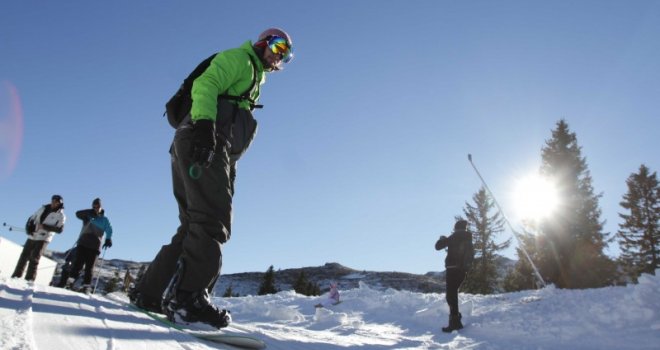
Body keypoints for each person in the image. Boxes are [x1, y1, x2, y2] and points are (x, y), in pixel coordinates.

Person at [130, 28, 294, 329]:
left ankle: (148, 292)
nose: (279, 55)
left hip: (197, 143)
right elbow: (206, 83)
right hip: (204, 141)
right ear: (262, 43)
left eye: (286, 53)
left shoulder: (254, 80)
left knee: (193, 223)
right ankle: (189, 301)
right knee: (212, 219)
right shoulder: (241, 61)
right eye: (277, 45)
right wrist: (205, 129)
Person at [58, 198, 113, 294]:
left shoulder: (104, 219)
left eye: (98, 206)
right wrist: (89, 213)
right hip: (83, 243)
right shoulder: (87, 216)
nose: (96, 208)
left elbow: (109, 229)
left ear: (101, 207)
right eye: (94, 206)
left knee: (89, 267)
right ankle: (70, 282)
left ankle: (86, 286)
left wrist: (108, 238)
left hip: (95, 246)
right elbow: (77, 213)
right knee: (78, 264)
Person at [12, 194, 66, 281]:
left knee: (34, 257)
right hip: (32, 235)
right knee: (24, 256)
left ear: (60, 204)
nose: (54, 202)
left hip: (44, 238)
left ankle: (29, 279)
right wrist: (28, 228)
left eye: (56, 201)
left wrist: (44, 227)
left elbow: (60, 229)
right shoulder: (43, 208)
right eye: (53, 200)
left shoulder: (61, 216)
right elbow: (32, 218)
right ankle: (16, 276)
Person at [435, 219, 473, 332]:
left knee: (451, 296)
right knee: (452, 295)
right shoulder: (468, 238)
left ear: (456, 228)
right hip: (462, 271)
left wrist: (442, 239)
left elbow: (437, 247)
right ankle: (456, 320)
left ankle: (455, 322)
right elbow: (471, 255)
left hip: (452, 270)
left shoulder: (453, 237)